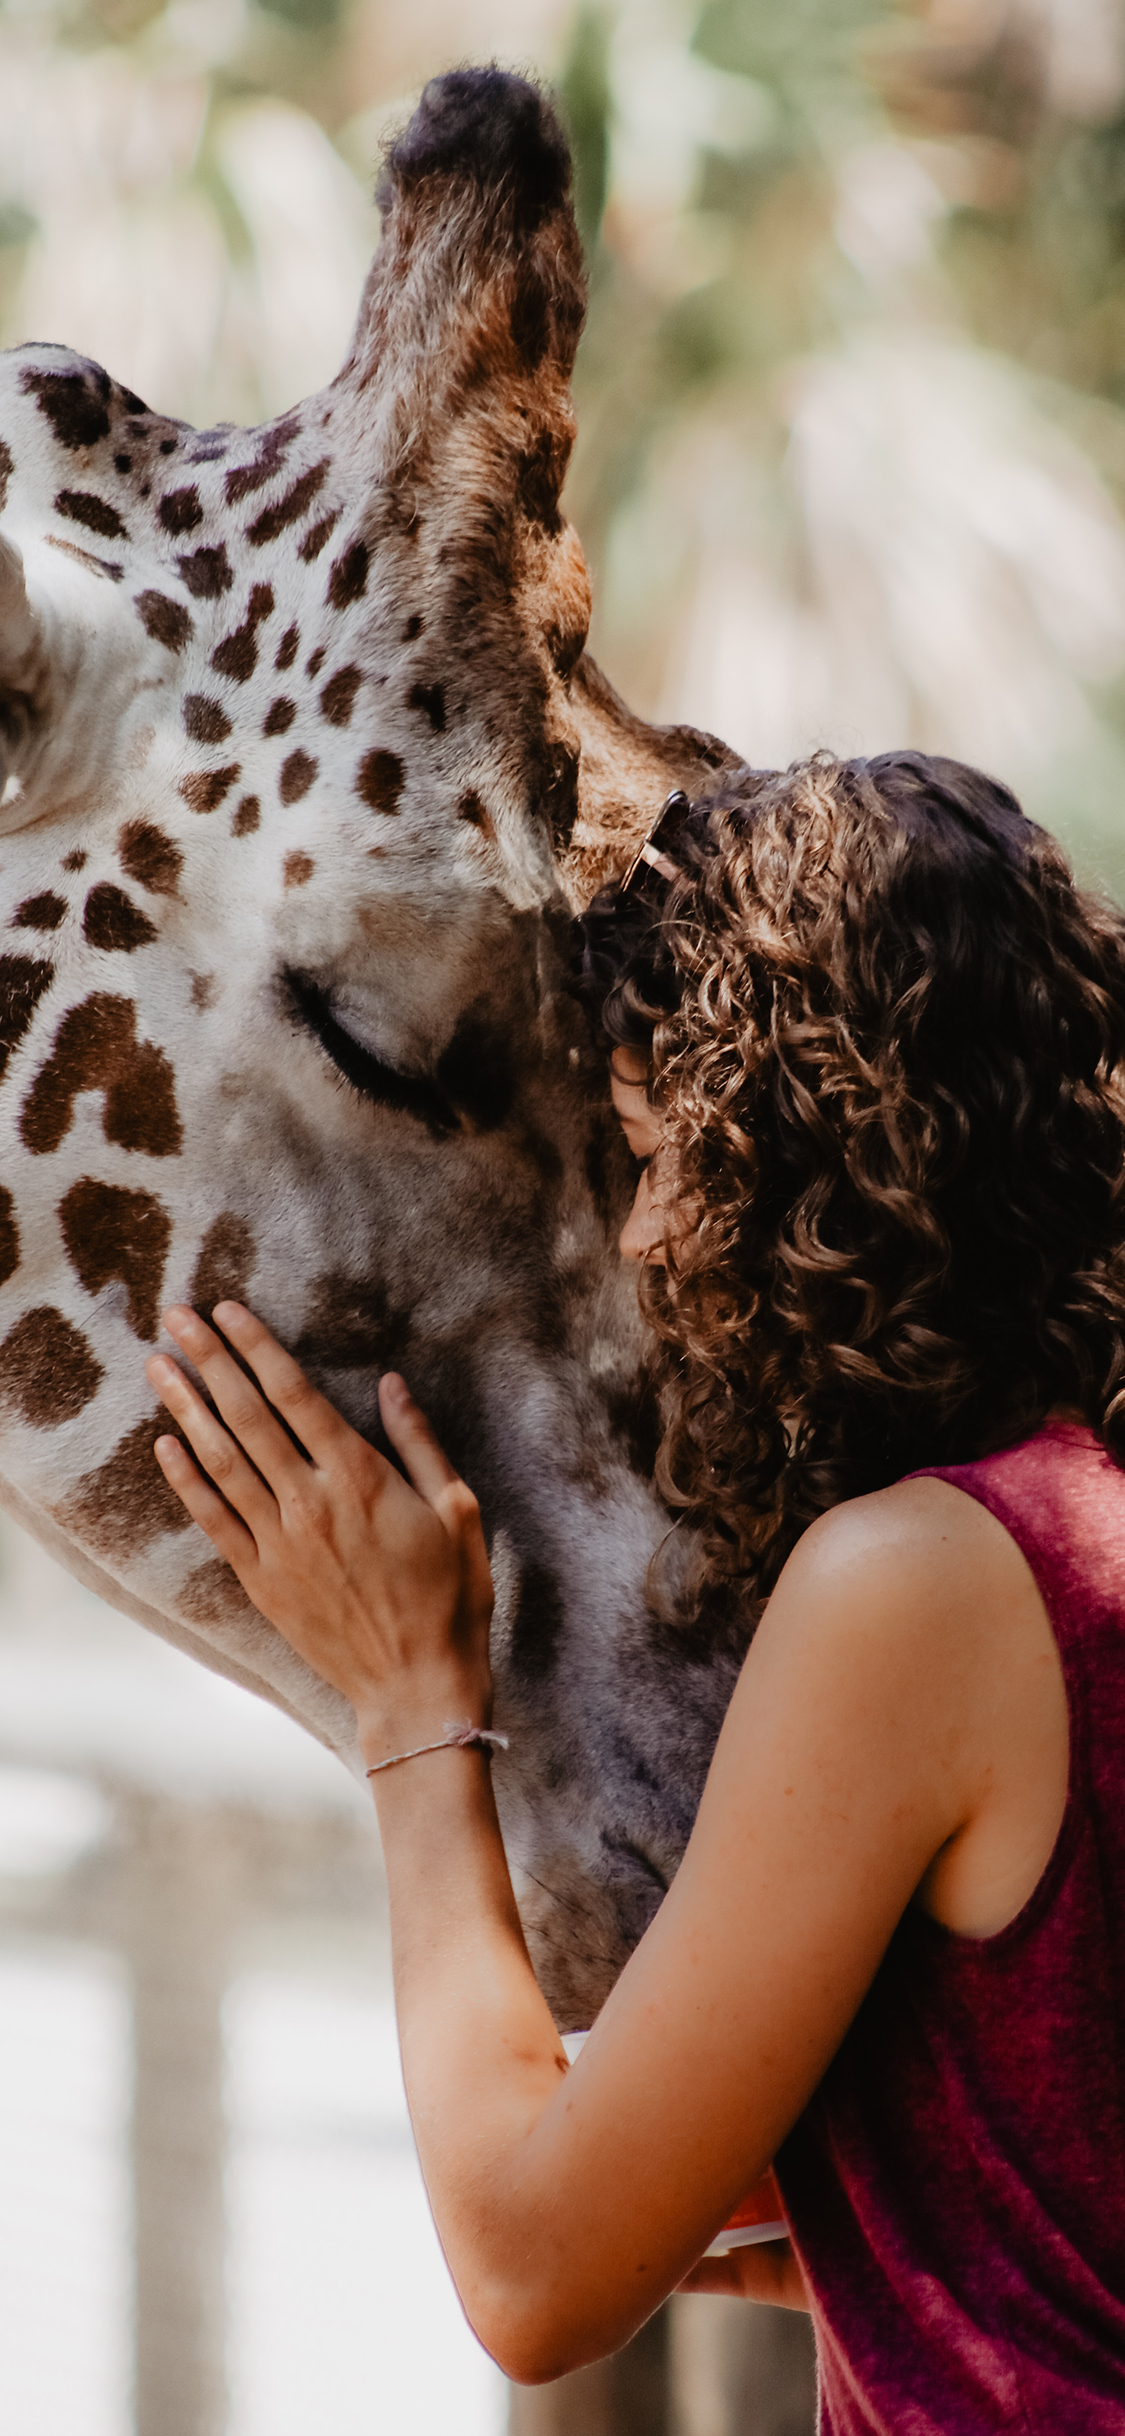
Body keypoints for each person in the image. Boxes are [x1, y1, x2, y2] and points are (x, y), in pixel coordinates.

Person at [145, 750, 1125, 2430]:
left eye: (662, 1152)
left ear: (802, 1162)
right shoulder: (1083, 1529)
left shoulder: (922, 1585)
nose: (653, 1238)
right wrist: (915, 2244)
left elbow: (531, 2279)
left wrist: (409, 1707)